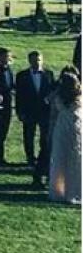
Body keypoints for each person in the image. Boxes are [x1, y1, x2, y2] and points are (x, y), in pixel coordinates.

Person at [16, 50, 56, 188]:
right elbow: (19, 95)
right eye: (34, 60)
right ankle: (30, 157)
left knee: (45, 137)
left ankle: (42, 157)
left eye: (39, 60)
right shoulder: (22, 75)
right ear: (29, 61)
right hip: (29, 111)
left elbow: (52, 91)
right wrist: (20, 111)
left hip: (44, 112)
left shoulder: (49, 74)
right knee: (28, 134)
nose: (37, 62)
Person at [48, 69, 81, 204]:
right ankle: (76, 190)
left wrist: (50, 132)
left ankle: (59, 190)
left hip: (61, 128)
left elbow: (52, 115)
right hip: (76, 128)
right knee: (76, 159)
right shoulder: (79, 95)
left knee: (60, 159)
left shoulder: (58, 97)